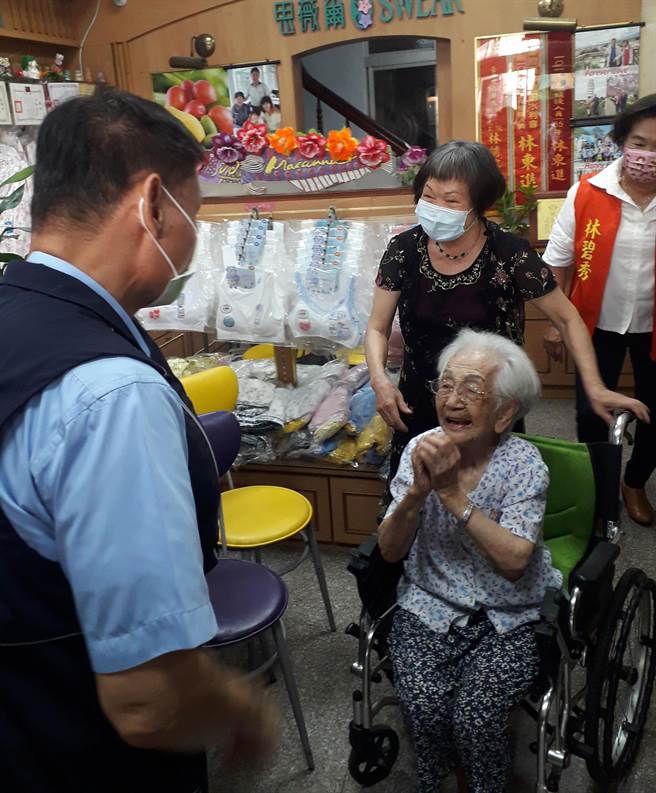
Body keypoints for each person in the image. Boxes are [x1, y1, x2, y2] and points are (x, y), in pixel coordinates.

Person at [0, 89, 278, 793]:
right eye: (195, 218)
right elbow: (147, 697)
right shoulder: (112, 395)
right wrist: (242, 707)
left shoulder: (16, 313)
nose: (193, 241)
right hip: (74, 751)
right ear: (153, 205)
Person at [365, 140, 648, 497]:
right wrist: (379, 380)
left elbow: (568, 319)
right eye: (428, 196)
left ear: (480, 205)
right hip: (420, 396)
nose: (436, 208)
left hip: (490, 404)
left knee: (490, 501)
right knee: (415, 496)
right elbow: (377, 327)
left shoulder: (509, 253)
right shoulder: (403, 249)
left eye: (451, 201)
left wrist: (595, 387)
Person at [379, 328, 562, 793]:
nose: (453, 400)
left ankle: (482, 785)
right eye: (446, 385)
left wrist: (451, 494)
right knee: (421, 702)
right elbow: (389, 550)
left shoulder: (524, 465)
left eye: (472, 389)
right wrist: (415, 496)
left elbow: (516, 562)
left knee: (476, 716)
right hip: (430, 603)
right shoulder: (420, 451)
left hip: (509, 612)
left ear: (504, 413)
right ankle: (437, 778)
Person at [542, 94, 656, 526]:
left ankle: (634, 481)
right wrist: (557, 326)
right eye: (640, 142)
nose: (649, 156)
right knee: (592, 413)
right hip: (596, 323)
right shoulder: (587, 192)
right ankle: (597, 486)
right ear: (622, 142)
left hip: (653, 327)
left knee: (655, 414)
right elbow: (557, 264)